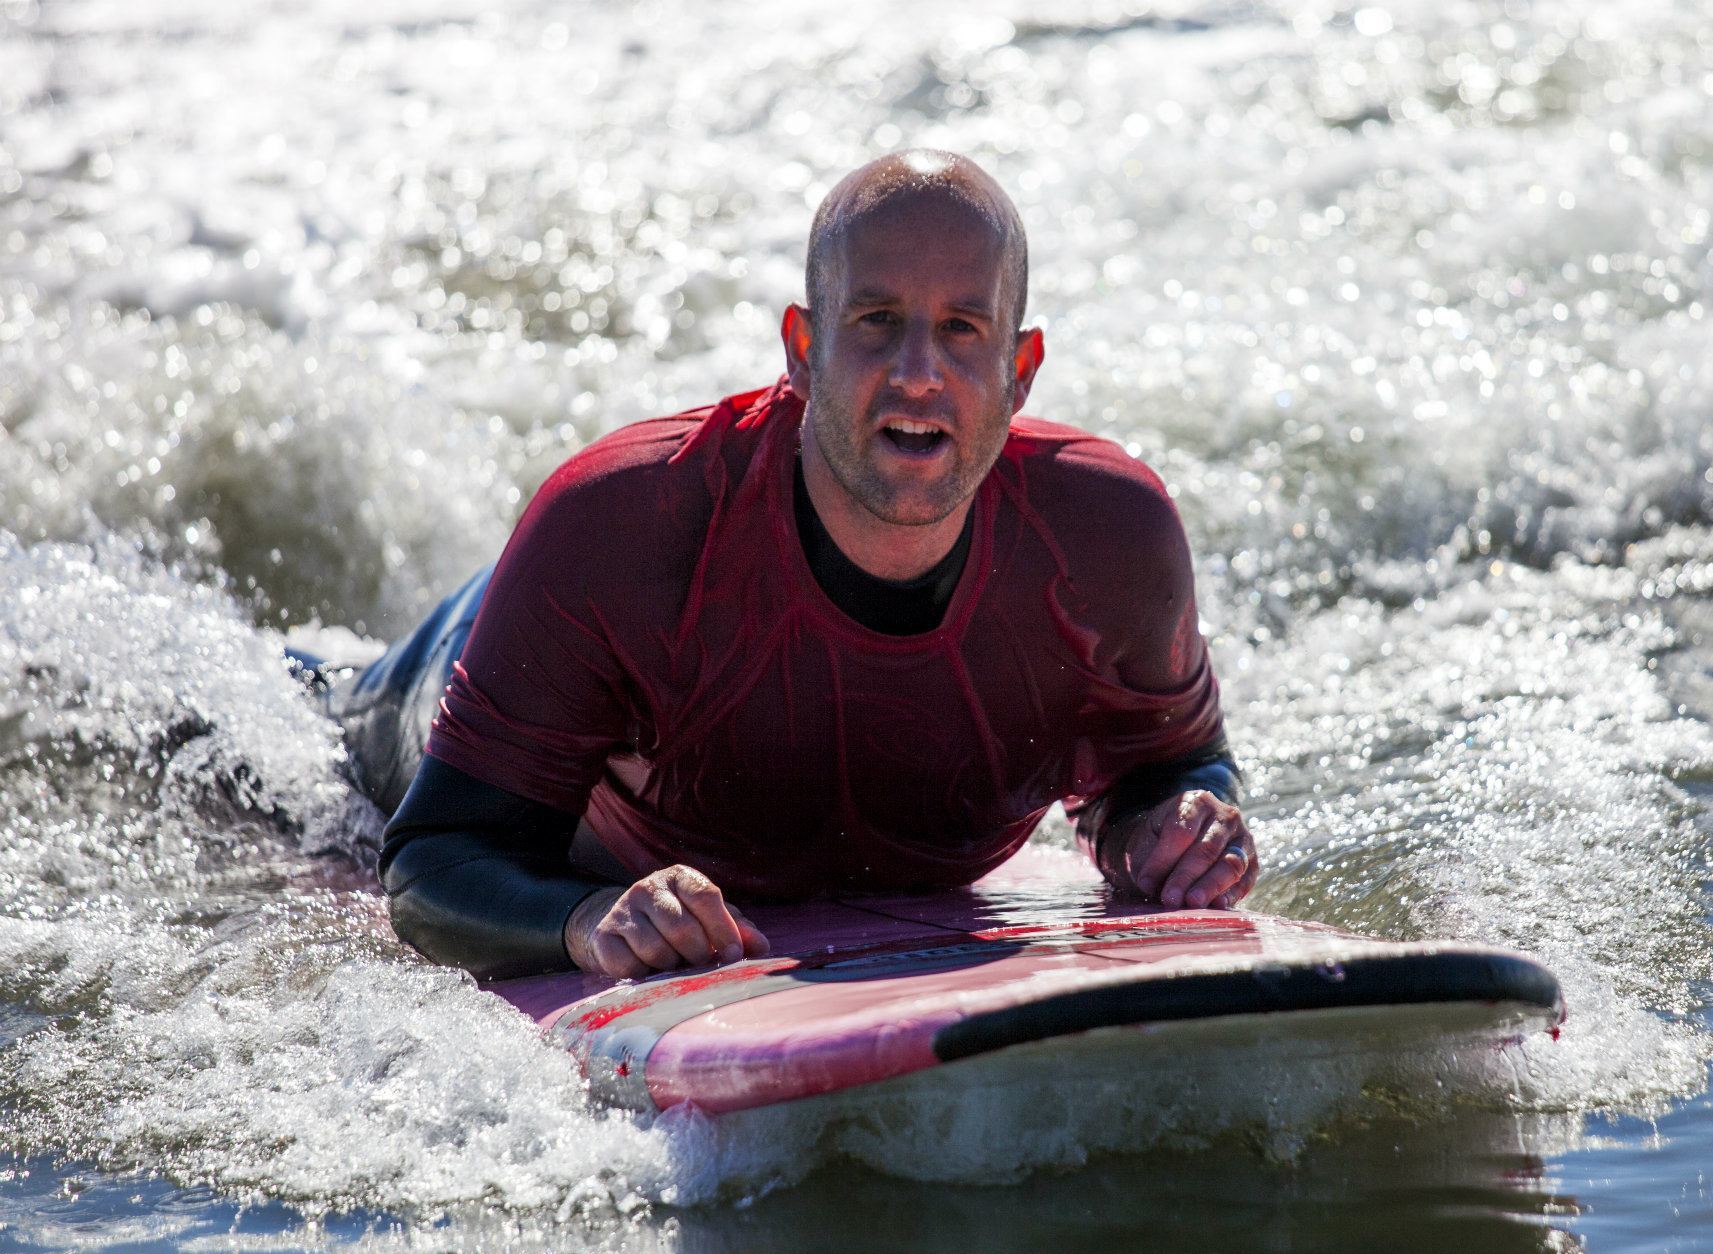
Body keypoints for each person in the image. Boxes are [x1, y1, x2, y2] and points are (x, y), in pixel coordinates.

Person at [327, 150, 1258, 982]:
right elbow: (434, 861)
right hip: (441, 681)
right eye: (878, 319)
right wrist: (582, 919)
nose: (920, 371)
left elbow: (1178, 763)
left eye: (964, 328)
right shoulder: (619, 528)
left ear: (1023, 371)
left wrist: (1176, 826)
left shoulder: (1111, 538)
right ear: (804, 350)